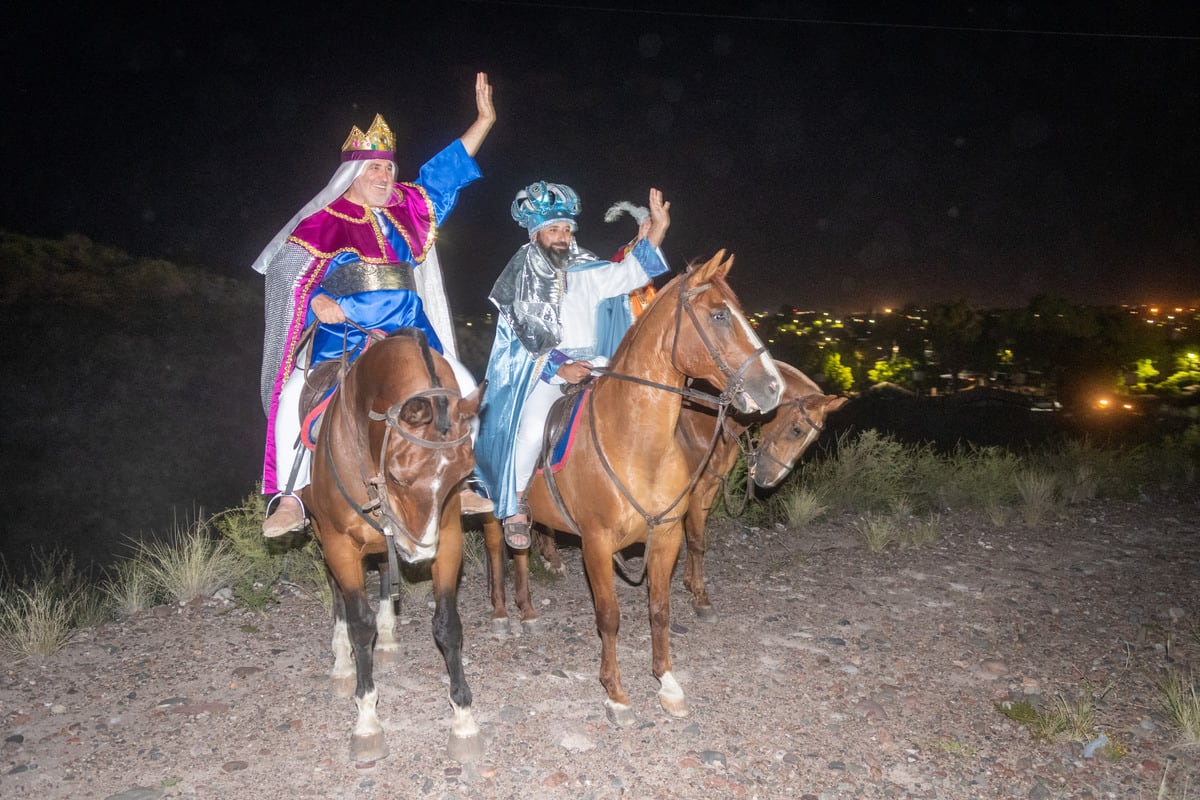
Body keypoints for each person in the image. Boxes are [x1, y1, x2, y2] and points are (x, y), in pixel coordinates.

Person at [253, 72, 496, 537]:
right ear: (351, 175)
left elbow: (443, 175)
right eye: (375, 170)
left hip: (409, 334)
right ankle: (289, 495)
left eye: (389, 168)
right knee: (291, 401)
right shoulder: (323, 222)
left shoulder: (408, 207)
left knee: (462, 388)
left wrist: (482, 122)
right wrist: (320, 296)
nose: (386, 176)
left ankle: (465, 480)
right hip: (344, 335)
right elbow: (285, 275)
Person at [474, 182, 671, 549]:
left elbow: (631, 274)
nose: (563, 236)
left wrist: (658, 228)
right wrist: (559, 368)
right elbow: (523, 335)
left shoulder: (586, 268)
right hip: (543, 372)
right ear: (536, 235)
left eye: (567, 229)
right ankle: (516, 505)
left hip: (597, 366)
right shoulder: (520, 277)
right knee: (533, 429)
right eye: (554, 230)